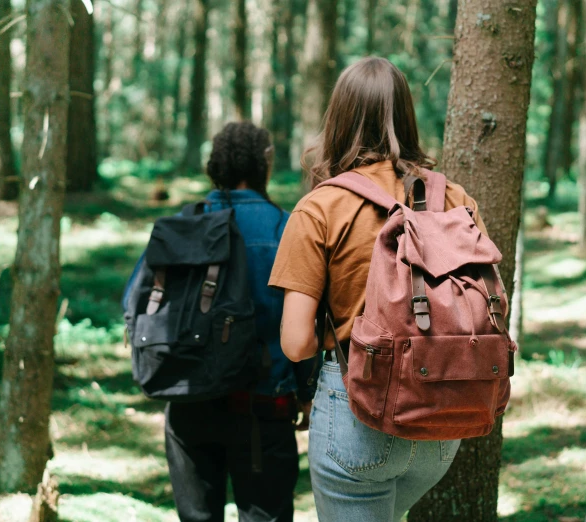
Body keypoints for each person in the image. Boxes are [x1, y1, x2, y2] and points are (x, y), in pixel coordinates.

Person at [268, 57, 491, 521]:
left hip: (358, 413)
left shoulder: (320, 207)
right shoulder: (457, 199)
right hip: (443, 417)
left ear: (339, 119)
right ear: (407, 116)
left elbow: (295, 344)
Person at [125, 122, 317, 522]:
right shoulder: (284, 228)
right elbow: (302, 319)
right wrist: (306, 389)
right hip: (263, 403)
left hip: (188, 398)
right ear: (264, 164)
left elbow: (133, 301)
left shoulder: (183, 223)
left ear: (215, 165)